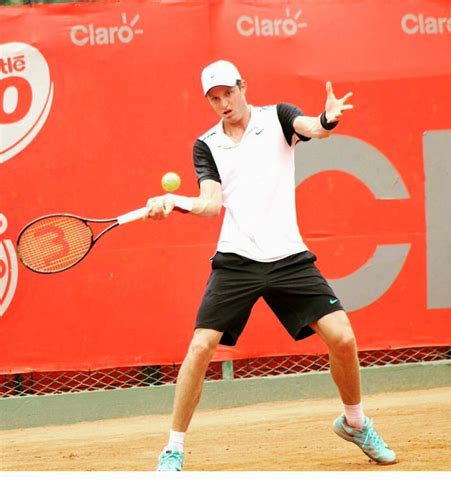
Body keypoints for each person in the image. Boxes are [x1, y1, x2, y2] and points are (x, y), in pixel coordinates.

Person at [146, 60, 397, 471]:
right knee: (199, 347)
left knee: (343, 339)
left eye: (228, 92)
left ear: (243, 86)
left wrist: (327, 119)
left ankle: (355, 423)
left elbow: (311, 127)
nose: (223, 103)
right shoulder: (206, 144)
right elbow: (210, 205)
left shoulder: (277, 117)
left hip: (288, 258)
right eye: (214, 98)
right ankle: (173, 448)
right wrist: (172, 202)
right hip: (237, 261)